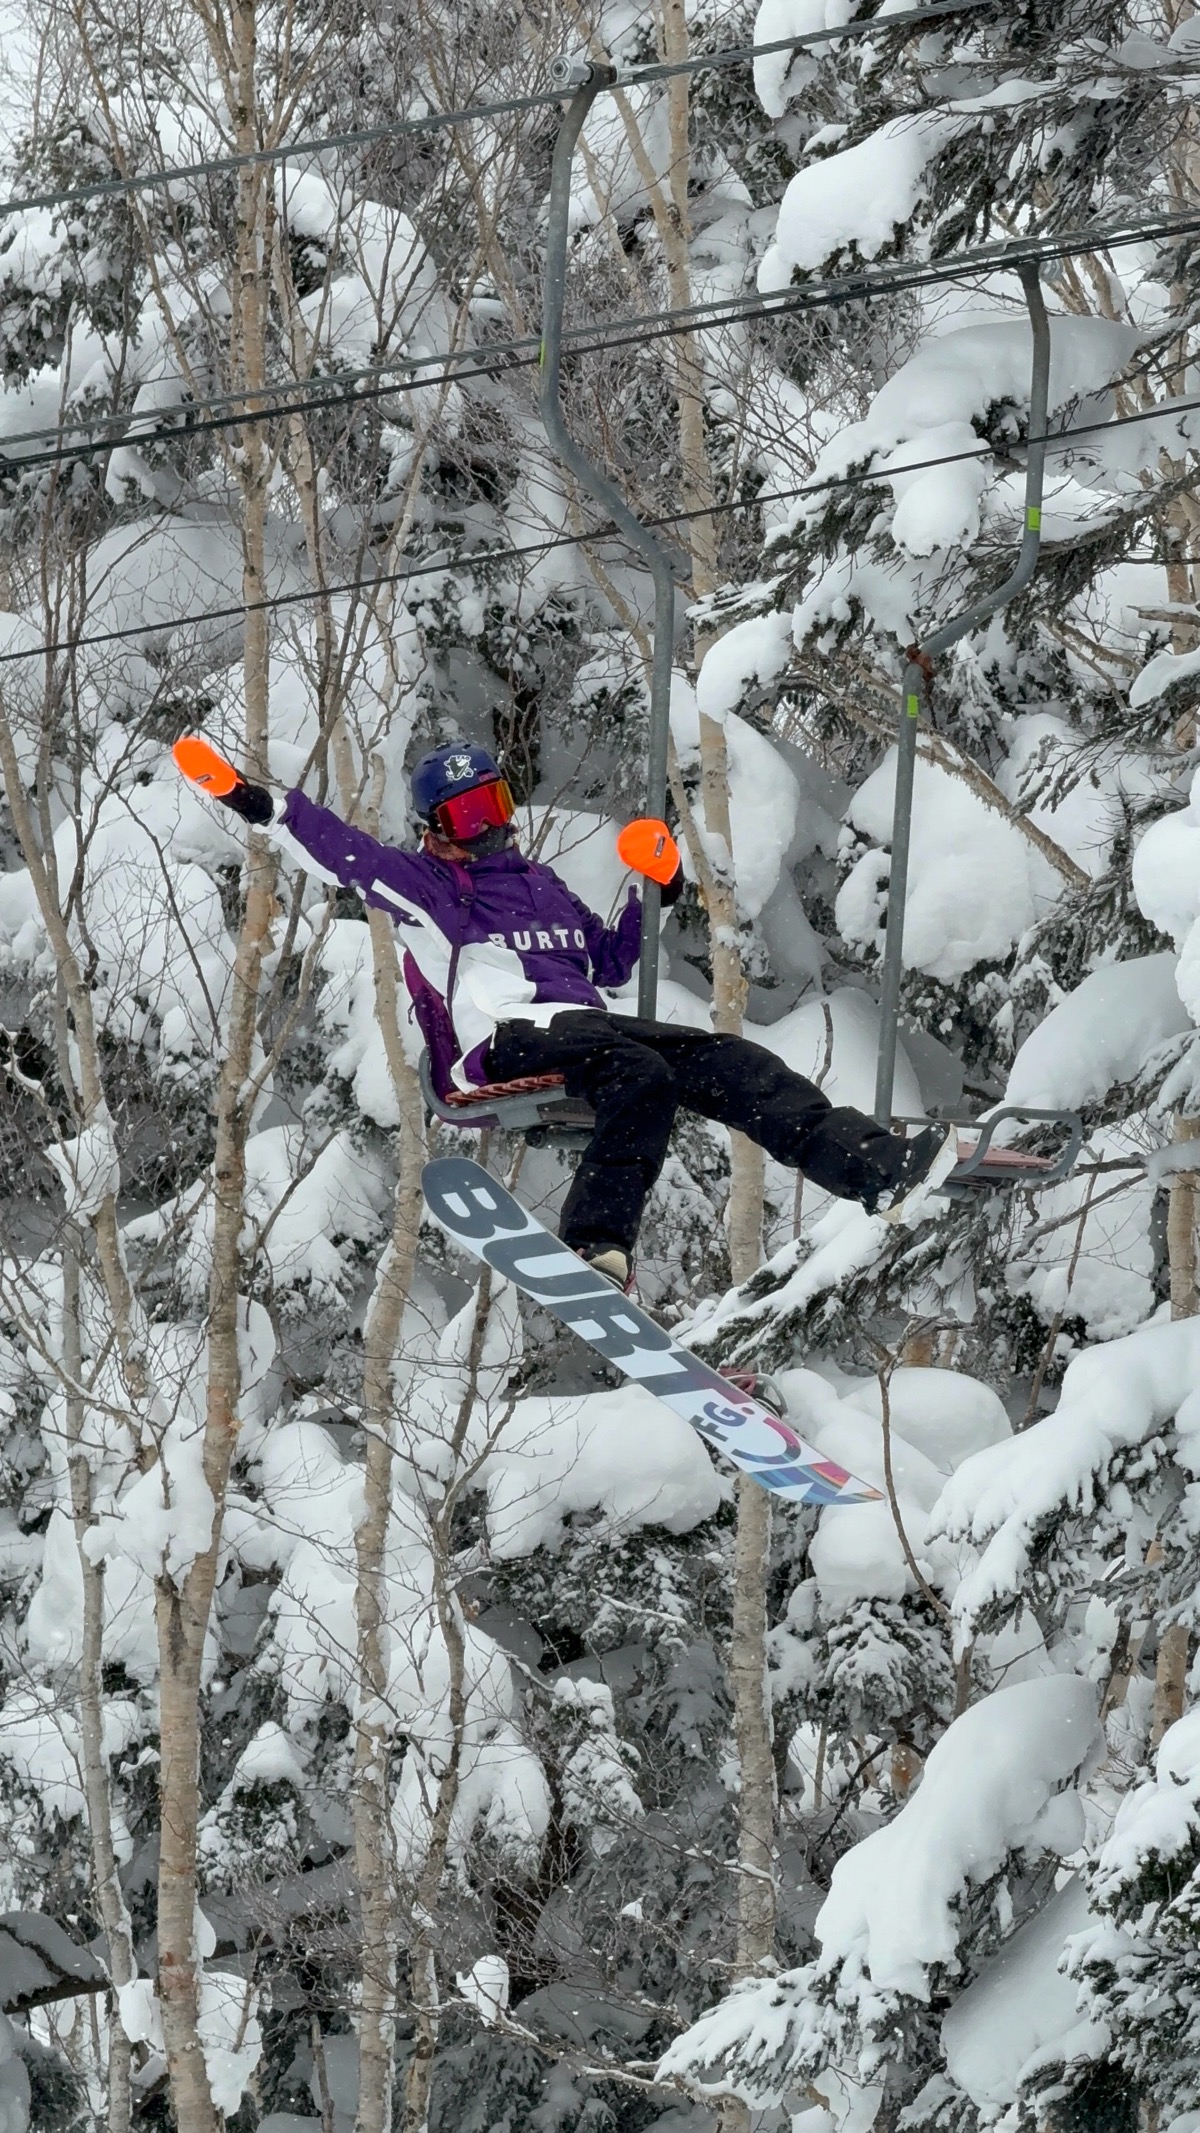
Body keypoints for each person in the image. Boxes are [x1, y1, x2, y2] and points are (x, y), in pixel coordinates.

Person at [174, 737, 953, 1286]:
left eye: (495, 806)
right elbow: (343, 851)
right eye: (467, 815)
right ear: (436, 830)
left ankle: (876, 1171)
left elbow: (609, 960)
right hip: (504, 1040)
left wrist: (660, 888)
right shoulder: (430, 888)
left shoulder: (542, 884)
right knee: (640, 1071)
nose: (488, 828)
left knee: (733, 1061)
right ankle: (596, 1244)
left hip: (586, 1030)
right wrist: (255, 800)